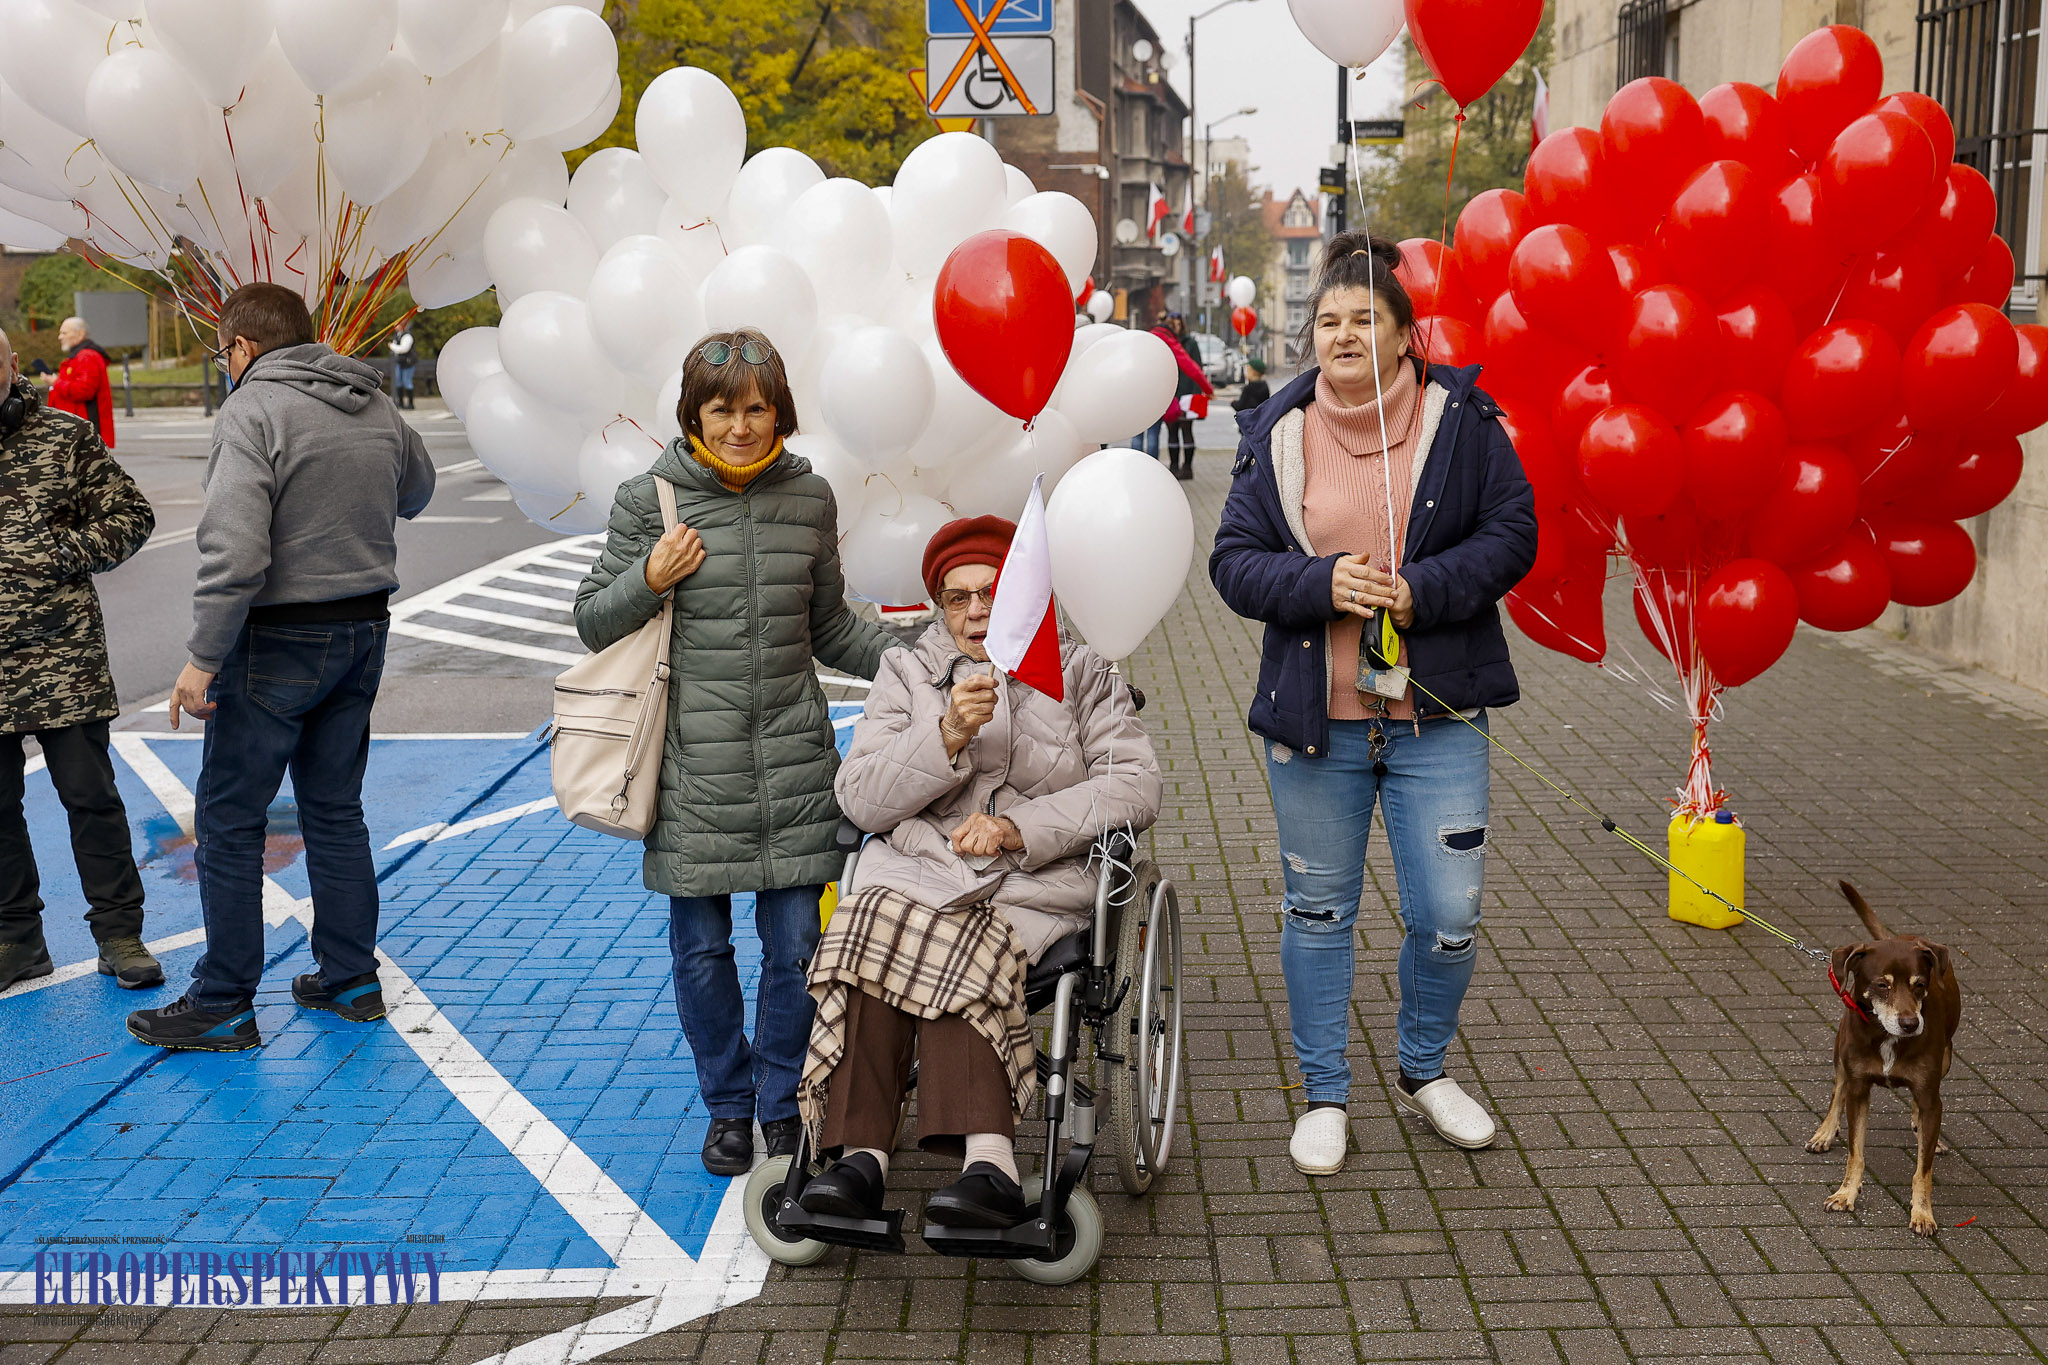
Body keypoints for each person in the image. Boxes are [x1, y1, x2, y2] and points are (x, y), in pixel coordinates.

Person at [1209, 233, 1537, 1175]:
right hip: (1318, 726)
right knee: (1318, 910)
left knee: (1450, 913)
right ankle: (1323, 1093)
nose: (1344, 335)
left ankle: (1424, 1066)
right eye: (1329, 321)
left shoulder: (1464, 423)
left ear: (1403, 335)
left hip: (1435, 716)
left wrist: (1420, 590)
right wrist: (1319, 582)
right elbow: (1232, 562)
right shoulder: (1274, 430)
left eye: (1366, 320)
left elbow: (1515, 533)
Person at [574, 327, 899, 1177]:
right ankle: (726, 1103)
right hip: (692, 769)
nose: (742, 426)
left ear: (779, 410)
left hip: (795, 762)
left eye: (757, 408)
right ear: (694, 414)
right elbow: (591, 620)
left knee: (798, 949)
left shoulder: (811, 496)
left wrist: (922, 658)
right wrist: (648, 576)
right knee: (702, 953)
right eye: (723, 409)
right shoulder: (650, 499)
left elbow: (828, 625)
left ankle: (783, 1099)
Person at [794, 516, 1162, 1226]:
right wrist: (945, 737)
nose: (975, 612)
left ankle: (989, 1161)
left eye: (991, 593)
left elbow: (1135, 785)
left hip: (1032, 879)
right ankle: (859, 1156)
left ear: (1027, 595)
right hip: (920, 867)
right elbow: (860, 796)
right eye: (956, 598)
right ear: (938, 607)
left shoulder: (1081, 672)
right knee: (869, 924)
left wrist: (1019, 827)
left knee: (963, 935)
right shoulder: (907, 674)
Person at [127, 283, 436, 1052]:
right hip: (363, 629)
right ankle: (349, 978)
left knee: (230, 822)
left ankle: (225, 999)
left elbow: (234, 551)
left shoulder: (251, 410)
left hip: (276, 641)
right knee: (335, 811)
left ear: (240, 348)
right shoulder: (371, 399)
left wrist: (202, 658)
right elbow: (420, 490)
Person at [0, 327, 160, 992]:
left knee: (90, 799)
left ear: (11, 364)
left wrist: (60, 552)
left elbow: (133, 516)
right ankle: (16, 940)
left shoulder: (64, 436)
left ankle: (120, 934)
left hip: (64, 660)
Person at [1160, 313, 1213, 482]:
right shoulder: (1165, 343)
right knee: (1172, 431)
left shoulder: (1190, 343)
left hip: (1187, 393)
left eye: (1178, 324)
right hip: (1170, 392)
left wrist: (1198, 392)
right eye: (1172, 324)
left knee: (1186, 430)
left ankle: (1187, 467)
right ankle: (1174, 466)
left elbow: (1197, 367)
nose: (1175, 327)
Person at [50, 316, 117, 450]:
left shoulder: (86, 357)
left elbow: (83, 391)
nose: (60, 337)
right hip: (78, 430)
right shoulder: (80, 356)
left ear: (80, 334)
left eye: (64, 333)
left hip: (85, 431)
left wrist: (56, 382)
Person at [388, 324, 416, 410]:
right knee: (398, 382)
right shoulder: (397, 335)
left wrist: (392, 346)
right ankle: (400, 402)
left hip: (407, 362)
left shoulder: (407, 335)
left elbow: (404, 349)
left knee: (407, 382)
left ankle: (410, 404)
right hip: (400, 361)